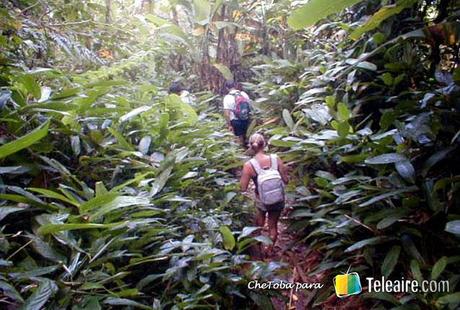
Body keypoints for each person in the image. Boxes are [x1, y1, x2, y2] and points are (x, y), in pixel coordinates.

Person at [240, 133, 289, 253]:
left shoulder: (248, 165)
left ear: (251, 146)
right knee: (273, 226)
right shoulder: (275, 158)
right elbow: (286, 180)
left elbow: (243, 188)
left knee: (258, 225)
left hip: (261, 200)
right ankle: (270, 250)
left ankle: (259, 249)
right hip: (278, 199)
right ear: (265, 144)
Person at [223, 80, 251, 145]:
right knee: (246, 135)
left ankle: (242, 151)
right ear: (235, 86)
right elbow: (249, 106)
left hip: (235, 120)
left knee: (239, 138)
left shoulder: (227, 98)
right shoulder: (244, 94)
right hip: (245, 118)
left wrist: (229, 125)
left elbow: (227, 114)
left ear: (227, 88)